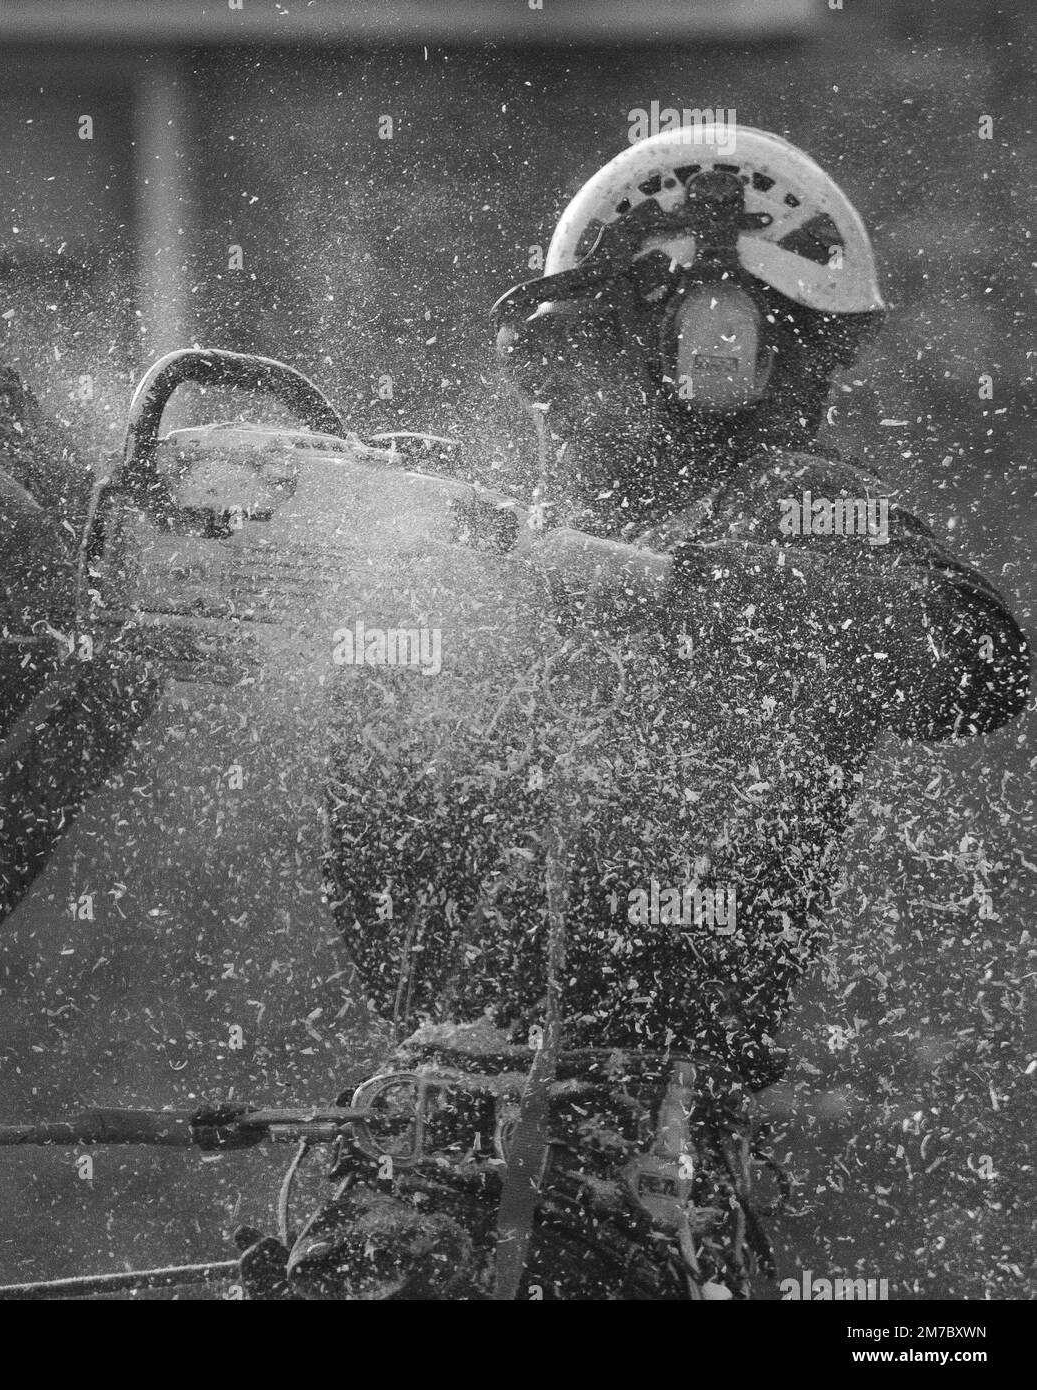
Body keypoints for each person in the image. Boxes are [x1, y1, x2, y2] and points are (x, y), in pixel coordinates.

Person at [281, 126, 1029, 1300]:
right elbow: (371, 853)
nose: (552, 396)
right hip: (429, 1123)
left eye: (576, 356)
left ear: (719, 344)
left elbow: (976, 660)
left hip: (643, 1137)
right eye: (547, 360)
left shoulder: (799, 506)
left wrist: (684, 591)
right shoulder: (466, 537)